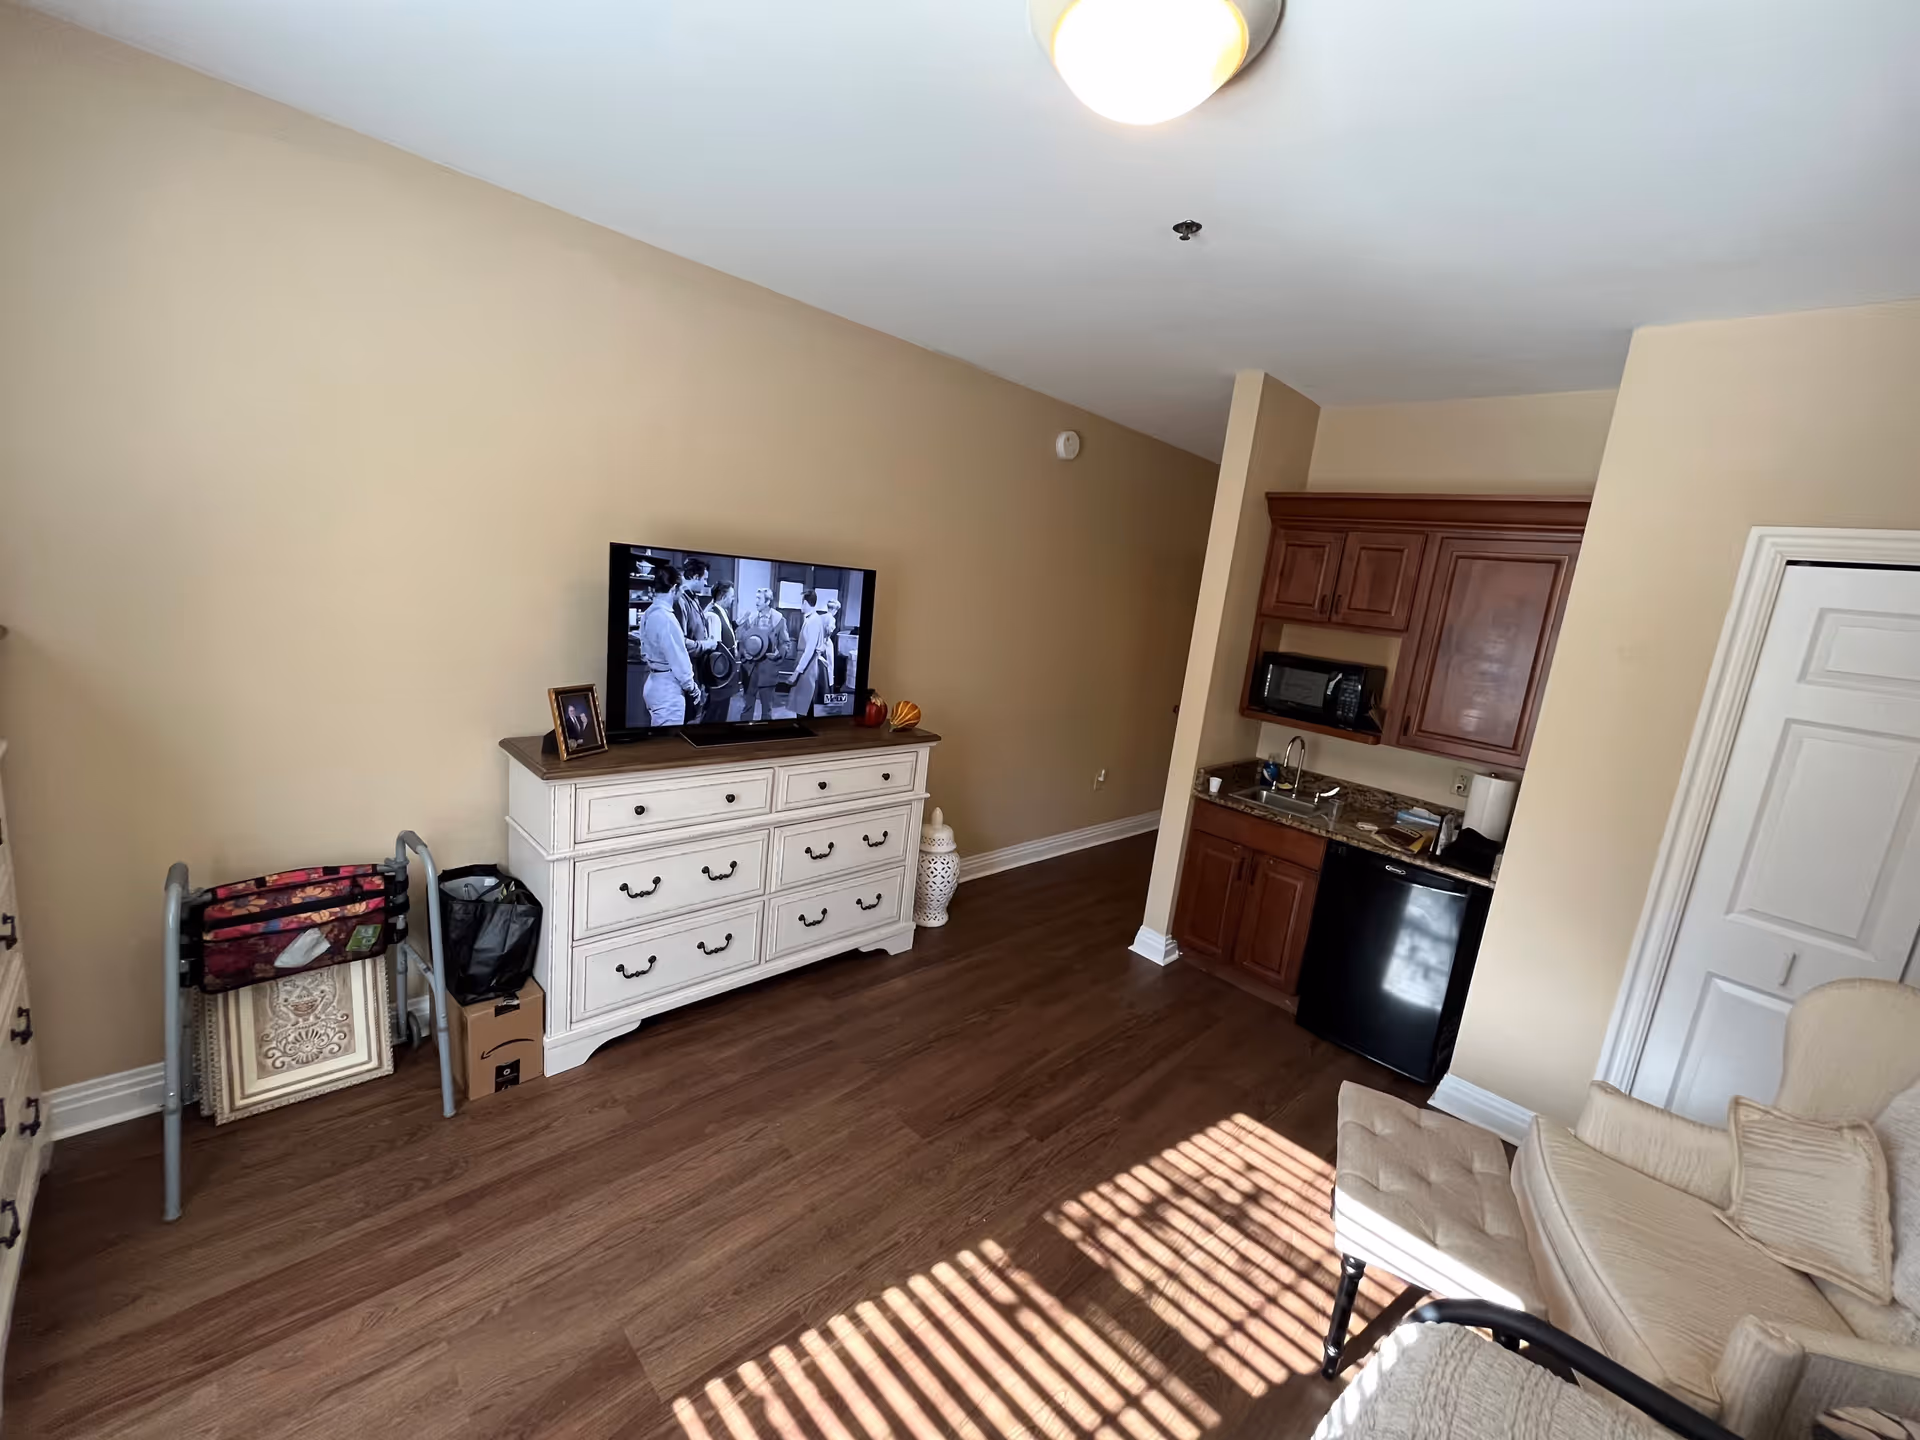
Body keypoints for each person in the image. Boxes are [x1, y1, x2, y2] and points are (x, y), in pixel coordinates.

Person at [638, 562, 701, 726]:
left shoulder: (648, 613)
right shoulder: (666, 619)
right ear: (674, 589)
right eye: (679, 590)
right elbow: (678, 658)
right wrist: (692, 688)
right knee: (668, 745)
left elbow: (643, 651)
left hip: (652, 682)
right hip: (667, 689)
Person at [737, 587, 791, 721]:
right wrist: (744, 652)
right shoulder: (751, 618)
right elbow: (741, 640)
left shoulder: (779, 619)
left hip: (768, 670)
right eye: (756, 598)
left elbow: (785, 643)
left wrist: (779, 653)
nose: (756, 602)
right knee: (747, 707)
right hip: (750, 670)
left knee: (767, 709)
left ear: (768, 602)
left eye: (759, 599)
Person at [698, 579, 742, 723]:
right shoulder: (713, 615)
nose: (733, 600)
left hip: (726, 671)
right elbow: (714, 648)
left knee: (722, 711)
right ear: (723, 597)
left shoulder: (722, 613)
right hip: (719, 673)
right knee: (715, 712)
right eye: (731, 596)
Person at [788, 589, 833, 718]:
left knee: (804, 702)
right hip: (806, 662)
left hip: (808, 664)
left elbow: (810, 650)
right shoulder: (811, 619)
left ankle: (803, 730)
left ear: (806, 603)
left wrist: (797, 672)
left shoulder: (813, 621)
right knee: (804, 703)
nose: (800, 606)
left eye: (801, 603)